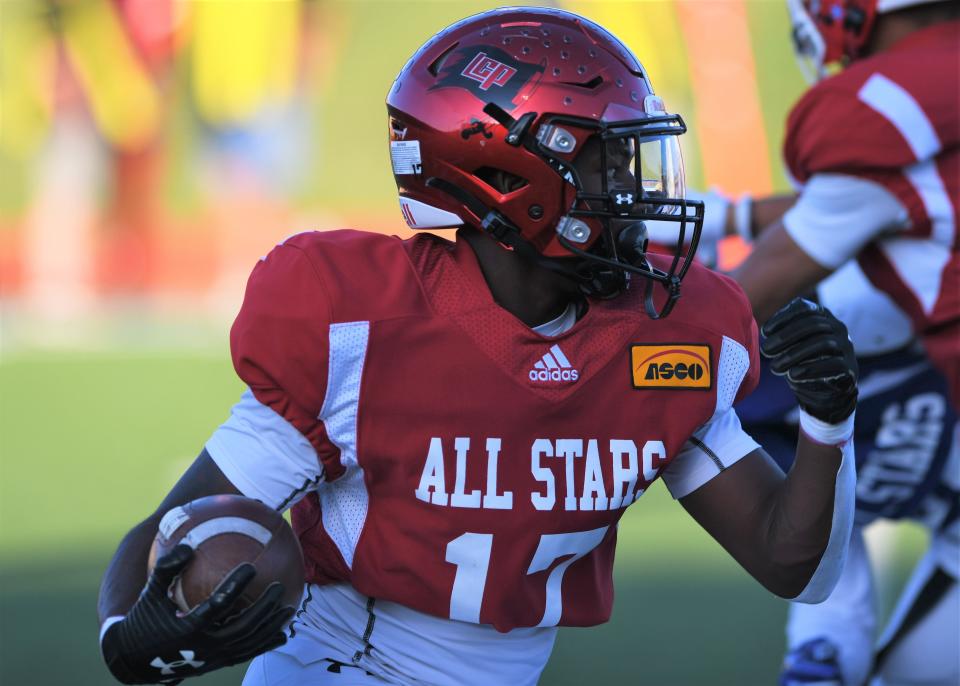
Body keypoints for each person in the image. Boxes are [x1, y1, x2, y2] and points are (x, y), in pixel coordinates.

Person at [97, 8, 860, 685]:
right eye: (609, 157)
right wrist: (124, 639)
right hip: (345, 664)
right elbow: (178, 523)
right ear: (509, 174)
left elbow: (795, 566)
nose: (635, 187)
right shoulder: (364, 325)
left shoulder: (664, 332)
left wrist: (828, 424)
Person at [647, 0, 958, 683]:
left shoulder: (883, 110)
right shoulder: (921, 127)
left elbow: (735, 307)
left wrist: (598, 358)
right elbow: (874, 200)